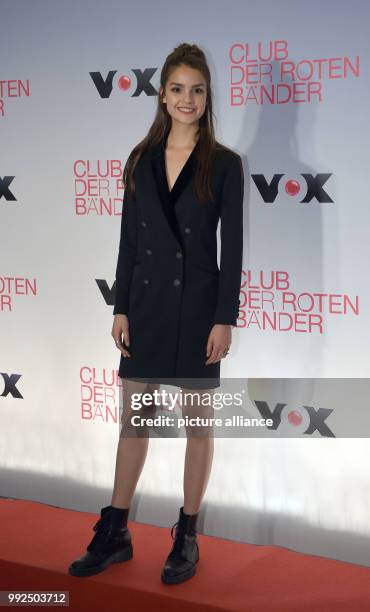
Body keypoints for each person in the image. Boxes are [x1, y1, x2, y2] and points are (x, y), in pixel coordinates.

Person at [68, 42, 244, 585]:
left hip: (196, 313)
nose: (186, 99)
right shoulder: (141, 158)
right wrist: (121, 306)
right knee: (135, 424)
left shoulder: (225, 164)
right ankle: (116, 530)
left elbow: (232, 248)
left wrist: (223, 317)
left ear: (207, 95)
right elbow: (128, 241)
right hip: (145, 307)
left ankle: (187, 534)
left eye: (197, 89)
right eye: (177, 89)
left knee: (196, 429)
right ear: (161, 94)